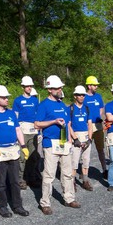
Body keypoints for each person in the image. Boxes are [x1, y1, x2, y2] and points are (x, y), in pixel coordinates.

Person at [0, 85, 30, 218]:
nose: (7, 99)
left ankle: (17, 206)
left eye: (7, 97)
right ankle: (2, 207)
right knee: (1, 182)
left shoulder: (11, 113)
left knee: (14, 181)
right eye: (4, 97)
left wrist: (24, 146)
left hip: (13, 149)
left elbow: (18, 130)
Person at [34, 75, 80, 215]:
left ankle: (69, 198)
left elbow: (68, 124)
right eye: (57, 88)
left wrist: (70, 140)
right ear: (50, 90)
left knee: (67, 173)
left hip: (64, 142)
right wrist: (53, 122)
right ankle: (45, 203)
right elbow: (37, 124)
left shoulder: (63, 105)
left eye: (60, 87)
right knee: (49, 175)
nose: (60, 89)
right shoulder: (43, 106)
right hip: (50, 143)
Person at [12, 76, 42, 189]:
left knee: (33, 156)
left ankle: (32, 178)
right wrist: (16, 131)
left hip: (34, 129)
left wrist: (39, 132)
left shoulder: (35, 100)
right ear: (23, 87)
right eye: (27, 86)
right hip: (22, 129)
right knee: (22, 156)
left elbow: (38, 116)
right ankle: (21, 179)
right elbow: (15, 117)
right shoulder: (18, 100)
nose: (29, 88)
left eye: (30, 86)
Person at [68, 85, 93, 191]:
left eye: (83, 95)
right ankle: (72, 182)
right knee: (74, 162)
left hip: (86, 136)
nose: (82, 97)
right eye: (79, 95)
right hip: (76, 137)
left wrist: (90, 139)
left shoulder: (87, 108)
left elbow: (90, 124)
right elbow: (68, 125)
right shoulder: (70, 108)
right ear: (75, 96)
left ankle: (85, 181)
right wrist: (75, 139)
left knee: (86, 161)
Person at [84, 76, 107, 179]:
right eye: (94, 85)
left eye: (96, 85)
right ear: (89, 86)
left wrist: (99, 116)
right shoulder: (83, 97)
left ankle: (104, 169)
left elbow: (101, 108)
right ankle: (84, 172)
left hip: (98, 126)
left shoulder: (98, 97)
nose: (96, 87)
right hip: (87, 126)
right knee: (85, 149)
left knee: (100, 149)